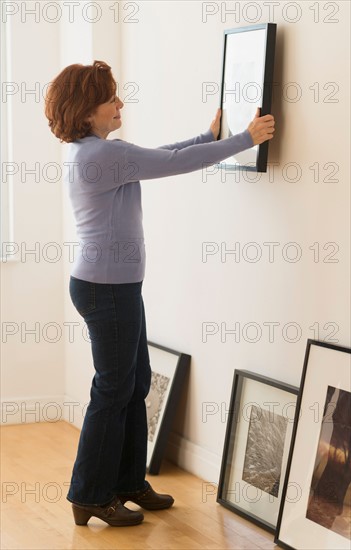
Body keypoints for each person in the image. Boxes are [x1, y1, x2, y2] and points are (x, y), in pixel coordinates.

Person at [44, 60, 275, 528]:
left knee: (134, 385)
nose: (120, 103)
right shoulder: (101, 155)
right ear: (88, 111)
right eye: (111, 97)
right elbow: (171, 164)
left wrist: (208, 139)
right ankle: (89, 494)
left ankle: (128, 481)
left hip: (111, 286)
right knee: (112, 391)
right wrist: (243, 140)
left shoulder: (94, 151)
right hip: (107, 289)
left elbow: (159, 154)